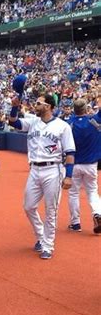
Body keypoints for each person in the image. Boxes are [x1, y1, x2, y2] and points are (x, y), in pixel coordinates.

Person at [9, 93, 76, 259]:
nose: (35, 105)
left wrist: (68, 175)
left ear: (48, 106)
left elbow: (70, 152)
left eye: (38, 103)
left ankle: (47, 245)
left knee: (51, 210)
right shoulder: (33, 122)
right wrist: (14, 106)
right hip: (34, 169)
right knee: (28, 206)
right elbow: (14, 122)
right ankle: (40, 235)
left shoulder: (62, 126)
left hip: (53, 170)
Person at [67, 97, 101, 234]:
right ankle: (98, 213)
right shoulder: (95, 120)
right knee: (92, 191)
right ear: (86, 108)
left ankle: (75, 223)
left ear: (74, 110)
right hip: (91, 164)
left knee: (73, 193)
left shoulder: (69, 124)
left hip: (73, 164)